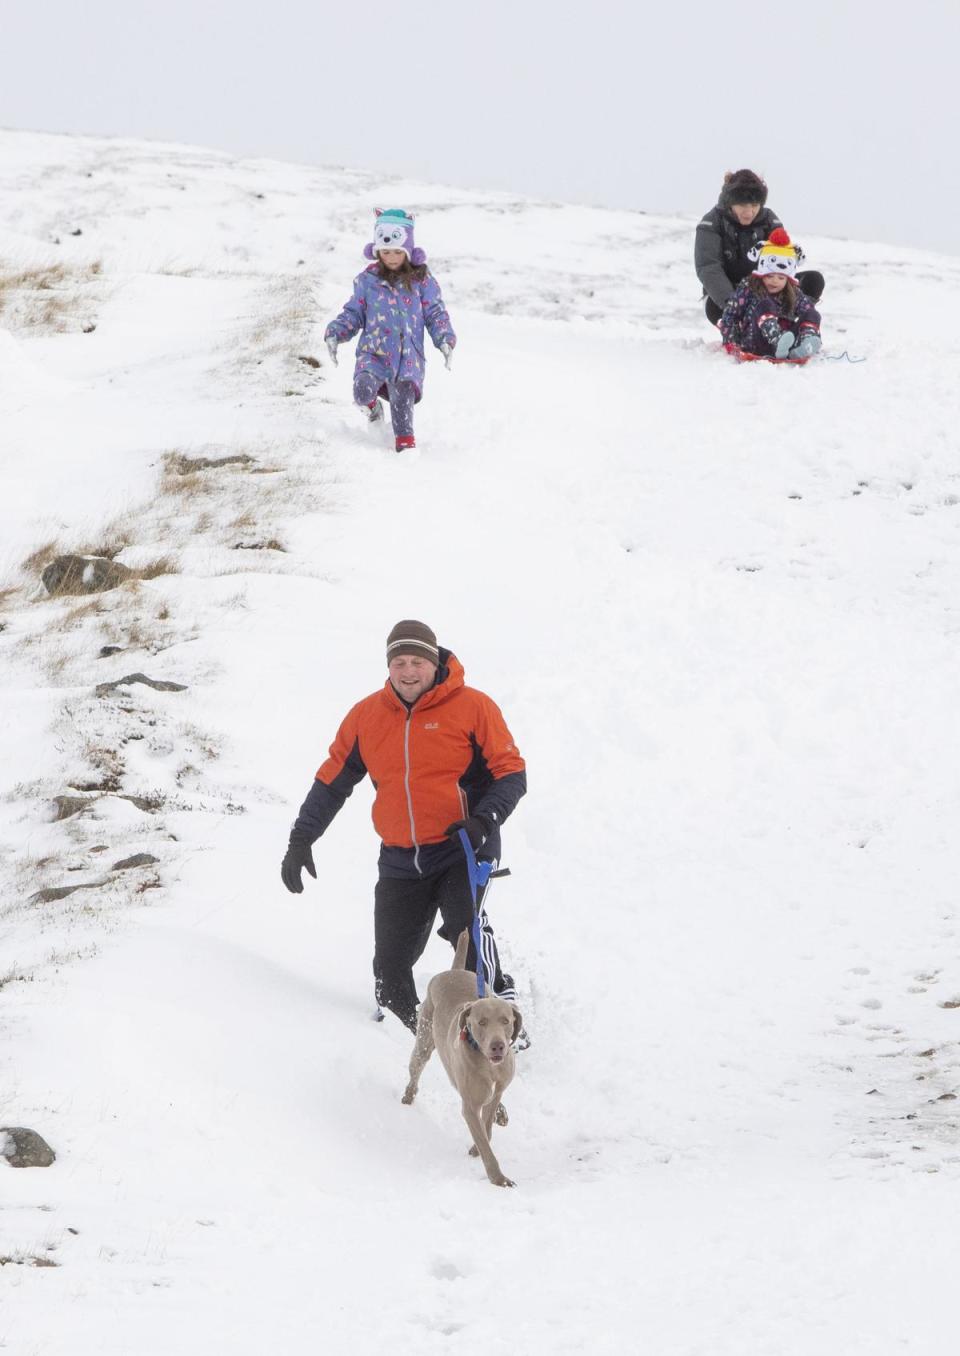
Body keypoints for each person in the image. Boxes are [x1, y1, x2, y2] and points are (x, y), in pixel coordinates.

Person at [280, 620, 527, 1036]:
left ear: (434, 664)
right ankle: (420, 1039)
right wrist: (302, 838)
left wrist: (484, 821)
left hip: (463, 845)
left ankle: (498, 1009)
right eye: (399, 662)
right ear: (388, 666)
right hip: (400, 856)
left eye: (417, 661)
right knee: (390, 972)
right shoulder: (365, 717)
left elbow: (511, 773)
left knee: (465, 930)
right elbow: (331, 782)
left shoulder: (474, 707)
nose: (408, 671)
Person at [324, 209, 456, 452]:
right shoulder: (368, 280)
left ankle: (405, 453)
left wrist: (444, 338)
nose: (392, 257)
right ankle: (373, 409)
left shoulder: (422, 281)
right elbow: (354, 312)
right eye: (386, 252)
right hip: (373, 352)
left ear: (408, 251)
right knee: (362, 391)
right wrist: (336, 331)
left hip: (408, 358)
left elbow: (435, 313)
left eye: (397, 251)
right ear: (377, 251)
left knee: (403, 411)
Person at [695, 169, 824, 326]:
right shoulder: (711, 223)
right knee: (713, 306)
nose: (749, 212)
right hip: (730, 294)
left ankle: (789, 323)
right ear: (730, 202)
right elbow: (709, 268)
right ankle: (739, 326)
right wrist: (734, 303)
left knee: (813, 280)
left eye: (755, 205)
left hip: (766, 288)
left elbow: (783, 259)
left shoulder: (769, 220)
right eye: (742, 205)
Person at [718, 229, 822, 361]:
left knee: (812, 313)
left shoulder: (793, 292)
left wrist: (813, 331)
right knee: (765, 305)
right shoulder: (749, 288)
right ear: (761, 274)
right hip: (757, 342)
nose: (775, 281)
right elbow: (730, 315)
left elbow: (807, 309)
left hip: (788, 342)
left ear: (788, 279)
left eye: (781, 278)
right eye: (770, 276)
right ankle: (777, 340)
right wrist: (731, 342)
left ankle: (804, 344)